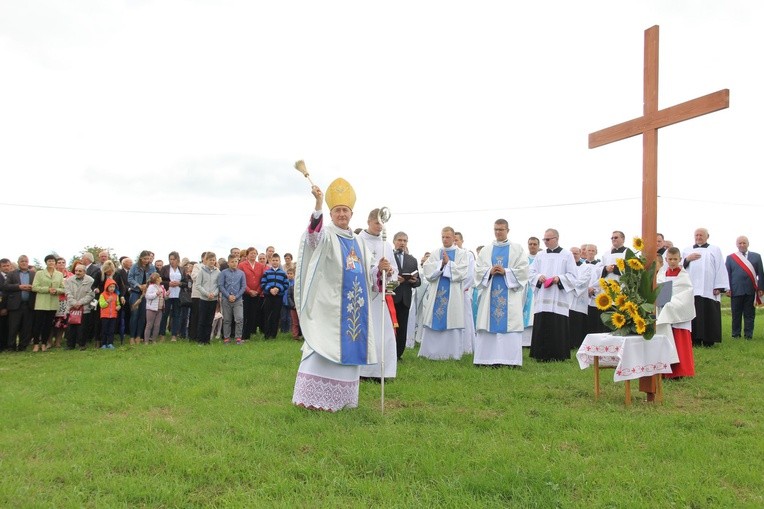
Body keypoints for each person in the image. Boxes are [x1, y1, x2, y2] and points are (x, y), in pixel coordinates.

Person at [292, 179, 382, 412]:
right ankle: (311, 399)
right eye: (337, 210)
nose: (342, 214)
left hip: (354, 306)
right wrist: (318, 204)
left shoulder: (360, 242)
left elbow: (369, 272)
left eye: (345, 210)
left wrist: (379, 271)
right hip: (329, 304)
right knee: (322, 343)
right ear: (331, 214)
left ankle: (343, 400)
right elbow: (312, 238)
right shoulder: (327, 234)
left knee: (349, 344)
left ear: (352, 213)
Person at [473, 219, 529, 367]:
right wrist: (489, 271)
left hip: (509, 295)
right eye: (496, 229)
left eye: (501, 229)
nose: (498, 232)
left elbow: (524, 270)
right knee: (488, 325)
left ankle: (510, 360)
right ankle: (485, 359)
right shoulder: (486, 250)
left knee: (509, 326)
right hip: (489, 294)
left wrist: (506, 271)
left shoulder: (517, 249)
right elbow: (477, 270)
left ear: (507, 230)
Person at [419, 227, 470, 360]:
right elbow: (427, 269)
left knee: (451, 320)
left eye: (448, 237)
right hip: (436, 292)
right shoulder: (436, 252)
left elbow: (463, 272)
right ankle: (430, 353)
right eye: (443, 237)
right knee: (433, 319)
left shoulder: (462, 254)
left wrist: (449, 264)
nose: (445, 240)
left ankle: (452, 354)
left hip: (453, 294)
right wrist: (440, 265)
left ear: (454, 238)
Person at [357, 209, 398, 380]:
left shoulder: (386, 244)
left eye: (382, 224)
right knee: (365, 332)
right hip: (364, 295)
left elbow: (394, 270)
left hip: (380, 299)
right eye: (376, 224)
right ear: (368, 221)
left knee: (384, 334)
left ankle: (383, 372)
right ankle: (363, 372)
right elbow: (355, 266)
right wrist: (375, 270)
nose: (380, 228)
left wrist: (388, 272)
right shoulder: (358, 241)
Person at [528, 229, 577, 361]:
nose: (545, 242)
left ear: (556, 238)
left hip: (558, 295)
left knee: (557, 325)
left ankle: (558, 355)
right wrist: (539, 276)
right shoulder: (540, 255)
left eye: (548, 239)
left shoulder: (567, 255)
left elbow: (573, 275)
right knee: (542, 322)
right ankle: (540, 354)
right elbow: (531, 272)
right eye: (544, 239)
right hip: (543, 296)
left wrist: (559, 279)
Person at [682, 228, 729, 347]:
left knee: (709, 314)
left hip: (708, 289)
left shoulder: (714, 249)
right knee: (694, 315)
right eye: (696, 235)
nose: (698, 237)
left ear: (707, 236)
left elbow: (720, 268)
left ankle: (709, 340)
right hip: (691, 289)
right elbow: (679, 266)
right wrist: (687, 259)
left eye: (701, 235)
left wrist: (719, 286)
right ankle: (695, 340)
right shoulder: (687, 250)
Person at [656, 247, 696, 378]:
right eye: (670, 259)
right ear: (666, 259)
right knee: (665, 338)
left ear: (680, 259)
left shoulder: (683, 276)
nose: (672, 262)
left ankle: (681, 371)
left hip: (677, 311)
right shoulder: (661, 274)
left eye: (675, 259)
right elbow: (658, 291)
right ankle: (665, 371)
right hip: (664, 310)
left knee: (679, 340)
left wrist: (671, 303)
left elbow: (686, 294)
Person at [725, 236, 763, 340]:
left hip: (751, 290)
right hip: (736, 290)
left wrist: (761, 288)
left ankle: (748, 335)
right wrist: (727, 289)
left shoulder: (756, 256)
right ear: (736, 244)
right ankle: (735, 335)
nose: (742, 245)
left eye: (744, 243)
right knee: (736, 315)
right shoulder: (730, 257)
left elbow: (761, 274)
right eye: (740, 243)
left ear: (748, 244)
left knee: (749, 314)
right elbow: (727, 274)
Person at [391, 231, 421, 360]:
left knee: (402, 327)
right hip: (391, 296)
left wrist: (414, 281)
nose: (402, 243)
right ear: (394, 241)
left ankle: (398, 354)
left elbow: (418, 280)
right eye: (400, 240)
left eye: (405, 241)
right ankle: (389, 351)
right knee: (390, 326)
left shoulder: (412, 260)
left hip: (405, 298)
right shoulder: (388, 256)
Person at [31, 254, 65, 352]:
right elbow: (34, 287)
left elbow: (63, 288)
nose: (51, 262)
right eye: (49, 261)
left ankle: (44, 343)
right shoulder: (39, 273)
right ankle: (36, 343)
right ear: (46, 262)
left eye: (53, 261)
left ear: (55, 263)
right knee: (38, 324)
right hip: (41, 303)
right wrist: (47, 289)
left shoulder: (59, 274)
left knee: (48, 325)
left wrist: (56, 290)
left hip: (53, 303)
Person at [4, 255, 36, 351]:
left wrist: (32, 287)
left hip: (29, 304)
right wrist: (19, 287)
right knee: (13, 327)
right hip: (15, 305)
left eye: (26, 261)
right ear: (18, 262)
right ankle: (11, 346)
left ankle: (23, 346)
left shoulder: (33, 274)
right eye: (22, 261)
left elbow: (38, 286)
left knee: (26, 327)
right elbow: (6, 286)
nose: (24, 263)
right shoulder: (12, 274)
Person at [127, 250, 156, 345]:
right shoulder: (135, 266)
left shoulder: (151, 267)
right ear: (140, 258)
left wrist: (147, 285)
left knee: (142, 316)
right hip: (135, 292)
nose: (146, 261)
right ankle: (132, 337)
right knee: (134, 315)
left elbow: (155, 278)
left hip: (146, 293)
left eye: (148, 259)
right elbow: (130, 278)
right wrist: (139, 285)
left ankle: (139, 336)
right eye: (145, 259)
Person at [454, 231, 476, 355]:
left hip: (462, 292)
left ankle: (466, 347)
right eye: (454, 240)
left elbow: (470, 274)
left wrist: (459, 289)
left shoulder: (468, 255)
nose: (455, 243)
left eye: (457, 240)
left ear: (462, 241)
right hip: (450, 293)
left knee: (465, 319)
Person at [64, 264, 95, 350]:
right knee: (70, 328)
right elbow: (67, 292)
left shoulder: (91, 280)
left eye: (80, 271)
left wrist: (80, 303)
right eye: (76, 271)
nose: (77, 272)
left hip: (84, 308)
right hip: (71, 307)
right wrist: (74, 303)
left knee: (83, 328)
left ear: (85, 272)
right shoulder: (68, 280)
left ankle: (82, 344)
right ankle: (70, 345)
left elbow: (91, 294)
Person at [260, 253, 289, 340]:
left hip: (278, 297)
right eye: (273, 260)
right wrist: (270, 289)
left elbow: (286, 284)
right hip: (269, 296)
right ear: (270, 261)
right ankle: (267, 334)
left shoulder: (283, 273)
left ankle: (273, 335)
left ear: (279, 261)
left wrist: (278, 289)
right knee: (267, 315)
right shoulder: (267, 272)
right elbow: (263, 283)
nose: (275, 262)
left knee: (276, 315)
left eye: (277, 260)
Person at [219, 254, 246, 344]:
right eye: (232, 262)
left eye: (236, 261)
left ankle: (238, 337)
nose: (234, 263)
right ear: (228, 263)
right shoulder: (223, 272)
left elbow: (243, 286)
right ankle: (227, 337)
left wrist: (236, 296)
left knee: (239, 318)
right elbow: (221, 286)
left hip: (238, 299)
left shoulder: (241, 273)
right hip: (226, 299)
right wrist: (228, 296)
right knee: (227, 319)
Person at [240, 248, 266, 339]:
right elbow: (241, 280)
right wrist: (249, 290)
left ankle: (249, 334)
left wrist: (258, 291)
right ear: (247, 255)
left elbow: (263, 279)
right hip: (246, 293)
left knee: (253, 314)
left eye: (255, 253)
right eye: (251, 253)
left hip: (257, 293)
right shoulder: (242, 265)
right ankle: (243, 335)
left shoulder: (260, 265)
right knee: (245, 314)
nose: (253, 255)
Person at [195, 252, 220, 345]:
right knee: (202, 320)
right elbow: (198, 285)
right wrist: (206, 293)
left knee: (210, 321)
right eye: (210, 260)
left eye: (214, 260)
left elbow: (218, 285)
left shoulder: (218, 272)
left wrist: (214, 294)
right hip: (204, 299)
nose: (212, 262)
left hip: (213, 299)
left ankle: (207, 340)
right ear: (206, 260)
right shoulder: (202, 271)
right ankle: (200, 340)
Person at [522, 236, 540, 347]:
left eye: (534, 244)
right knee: (525, 314)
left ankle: (536, 340)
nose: (532, 246)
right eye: (530, 244)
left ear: (538, 246)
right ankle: (524, 342)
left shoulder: (541, 258)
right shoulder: (524, 259)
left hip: (538, 289)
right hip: (526, 290)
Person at [144, 272, 166, 343]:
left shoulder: (162, 287)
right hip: (151, 308)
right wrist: (156, 294)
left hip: (160, 308)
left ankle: (154, 340)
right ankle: (146, 341)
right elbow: (147, 296)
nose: (160, 278)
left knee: (157, 325)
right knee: (149, 325)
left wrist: (167, 295)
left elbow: (164, 297)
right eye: (159, 277)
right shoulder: (151, 287)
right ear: (156, 279)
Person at [98, 277, 121, 349]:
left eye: (113, 287)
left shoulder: (116, 295)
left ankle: (110, 343)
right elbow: (101, 305)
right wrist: (107, 301)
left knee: (111, 330)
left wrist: (118, 307)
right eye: (110, 287)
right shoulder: (102, 295)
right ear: (107, 287)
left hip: (113, 316)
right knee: (104, 330)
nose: (112, 288)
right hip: (105, 316)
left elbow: (118, 304)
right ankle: (103, 343)